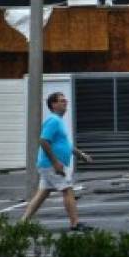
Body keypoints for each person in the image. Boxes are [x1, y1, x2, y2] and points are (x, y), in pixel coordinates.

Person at [22, 92, 94, 231]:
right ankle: (75, 223)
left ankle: (22, 223)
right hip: (51, 165)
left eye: (65, 100)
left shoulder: (59, 121)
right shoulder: (53, 121)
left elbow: (66, 144)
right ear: (53, 105)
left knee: (42, 194)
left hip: (49, 165)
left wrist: (82, 155)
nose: (65, 102)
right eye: (61, 101)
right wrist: (55, 162)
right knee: (67, 189)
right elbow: (43, 140)